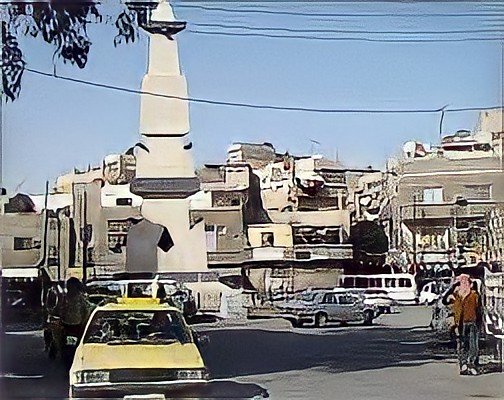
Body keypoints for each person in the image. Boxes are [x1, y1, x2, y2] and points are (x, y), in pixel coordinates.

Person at [442, 274, 481, 375]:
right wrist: (453, 286)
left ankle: (471, 364)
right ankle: (463, 364)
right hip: (459, 323)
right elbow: (444, 300)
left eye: (466, 282)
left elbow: (479, 310)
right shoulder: (456, 295)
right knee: (462, 344)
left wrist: (479, 323)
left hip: (472, 322)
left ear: (470, 284)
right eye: (461, 282)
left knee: (473, 345)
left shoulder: (475, 295)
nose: (463, 284)